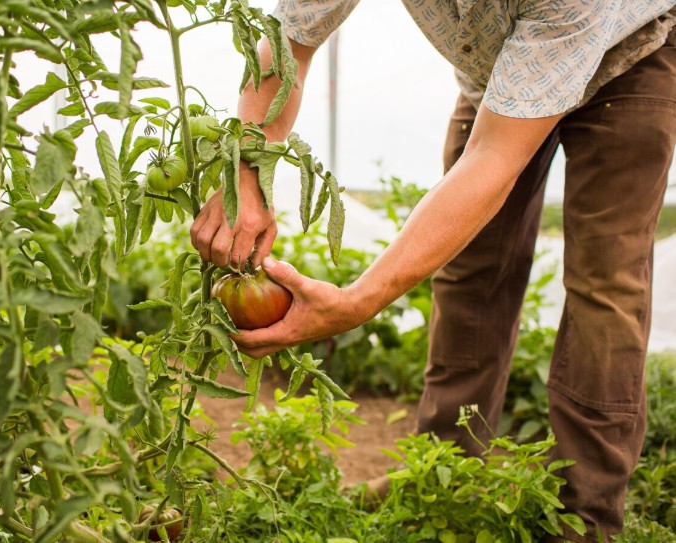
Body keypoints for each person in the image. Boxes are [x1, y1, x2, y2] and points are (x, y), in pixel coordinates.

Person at [189, 1, 676, 541]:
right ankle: (443, 470)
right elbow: (288, 41)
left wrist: (358, 302)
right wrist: (247, 169)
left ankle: (585, 516)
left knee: (604, 288)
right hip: (493, 77)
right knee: (469, 269)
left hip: (627, 60)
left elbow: (494, 157)